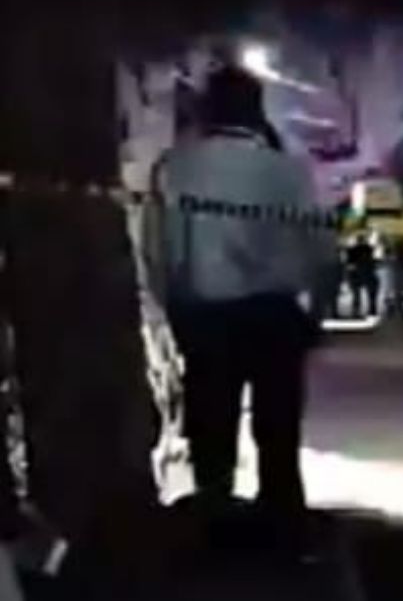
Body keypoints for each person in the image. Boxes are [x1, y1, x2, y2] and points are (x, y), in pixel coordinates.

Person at [142, 61, 333, 554]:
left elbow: (158, 251)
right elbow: (321, 248)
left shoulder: (175, 168)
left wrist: (174, 310)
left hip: (206, 316)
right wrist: (316, 314)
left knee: (211, 430)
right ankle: (284, 534)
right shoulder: (289, 171)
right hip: (274, 316)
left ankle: (215, 532)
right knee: (278, 433)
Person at [344, 234, 380, 319]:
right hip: (367, 272)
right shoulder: (369, 249)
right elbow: (374, 260)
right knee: (372, 291)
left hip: (356, 273)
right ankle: (372, 309)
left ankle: (356, 310)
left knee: (356, 293)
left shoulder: (351, 250)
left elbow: (348, 263)